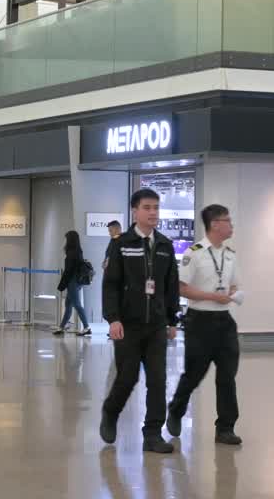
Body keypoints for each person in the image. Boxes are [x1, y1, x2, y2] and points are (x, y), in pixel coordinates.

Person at [100, 188, 180, 454]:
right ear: (135, 211)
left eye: (156, 207)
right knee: (128, 377)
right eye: (147, 207)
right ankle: (111, 412)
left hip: (156, 325)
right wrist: (113, 319)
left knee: (158, 380)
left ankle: (153, 434)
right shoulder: (121, 244)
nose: (153, 212)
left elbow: (171, 287)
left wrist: (172, 320)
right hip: (128, 324)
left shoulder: (165, 246)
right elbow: (110, 285)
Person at [166, 204, 243, 446]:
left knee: (227, 376)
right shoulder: (194, 253)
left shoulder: (230, 254)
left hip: (225, 322)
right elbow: (181, 287)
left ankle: (226, 427)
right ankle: (176, 410)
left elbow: (233, 284)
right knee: (194, 374)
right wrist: (212, 296)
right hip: (200, 321)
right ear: (214, 224)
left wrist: (233, 293)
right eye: (227, 220)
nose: (231, 225)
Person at [53, 231, 91, 336]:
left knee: (77, 305)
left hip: (73, 281)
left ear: (70, 240)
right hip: (76, 281)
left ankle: (87, 327)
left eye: (66, 239)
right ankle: (61, 327)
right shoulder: (78, 251)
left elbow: (68, 270)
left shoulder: (72, 252)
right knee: (68, 304)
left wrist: (62, 285)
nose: (65, 241)